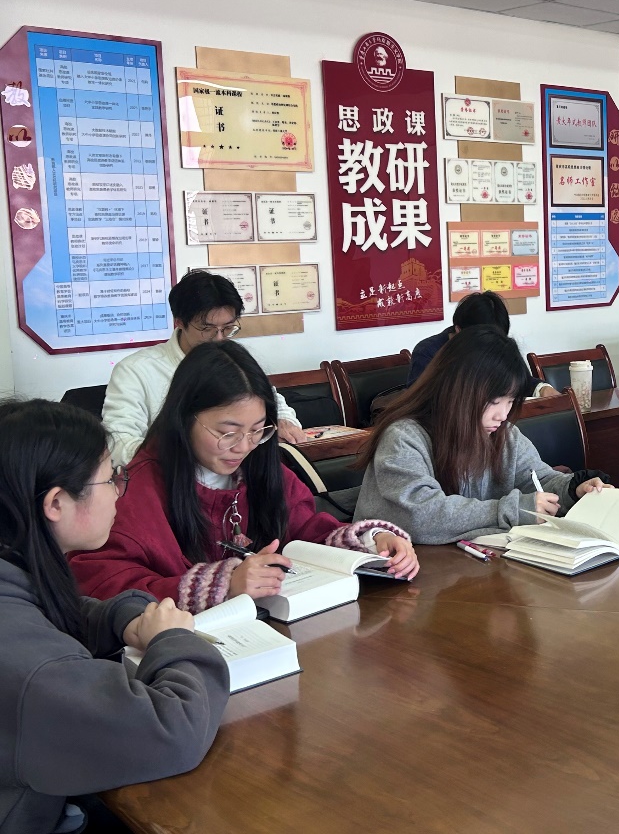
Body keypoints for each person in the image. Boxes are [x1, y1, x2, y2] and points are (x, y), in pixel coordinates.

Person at [0, 398, 229, 834]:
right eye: (110, 478)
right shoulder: (33, 670)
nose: (119, 492)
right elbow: (174, 732)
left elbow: (49, 613)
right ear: (56, 503)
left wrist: (122, 616)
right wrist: (175, 642)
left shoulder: (15, 569)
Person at [72, 342, 418, 612]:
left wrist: (371, 542)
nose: (243, 447)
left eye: (257, 430)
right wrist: (221, 585)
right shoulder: (137, 490)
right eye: (227, 432)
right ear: (184, 418)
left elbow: (306, 531)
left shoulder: (261, 470)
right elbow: (102, 583)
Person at [356, 326, 609, 544]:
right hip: (407, 575)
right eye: (494, 401)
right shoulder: (404, 438)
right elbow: (421, 516)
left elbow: (538, 480)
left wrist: (573, 490)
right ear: (458, 390)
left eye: (510, 401)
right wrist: (512, 510)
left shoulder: (504, 435)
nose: (503, 415)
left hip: (472, 568)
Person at [102, 271, 308, 465]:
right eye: (207, 329)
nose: (219, 339)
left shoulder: (233, 360)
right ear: (179, 322)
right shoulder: (135, 371)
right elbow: (118, 441)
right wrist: (184, 455)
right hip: (171, 478)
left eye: (227, 328)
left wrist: (283, 421)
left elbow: (273, 401)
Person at [407, 290, 558, 397]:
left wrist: (542, 389)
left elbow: (521, 381)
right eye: (483, 341)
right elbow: (420, 401)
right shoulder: (428, 352)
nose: (490, 348)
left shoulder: (500, 345)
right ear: (459, 330)